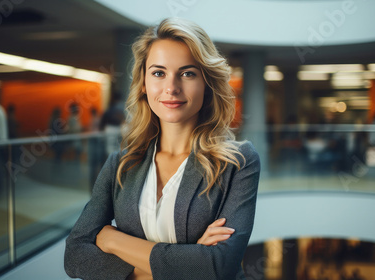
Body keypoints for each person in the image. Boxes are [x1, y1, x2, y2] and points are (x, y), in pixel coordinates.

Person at [64, 18, 261, 280]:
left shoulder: (238, 162)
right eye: (159, 73)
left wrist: (111, 240)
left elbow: (217, 268)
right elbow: (74, 256)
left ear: (207, 83)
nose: (171, 88)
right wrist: (187, 264)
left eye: (187, 73)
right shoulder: (121, 164)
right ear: (144, 84)